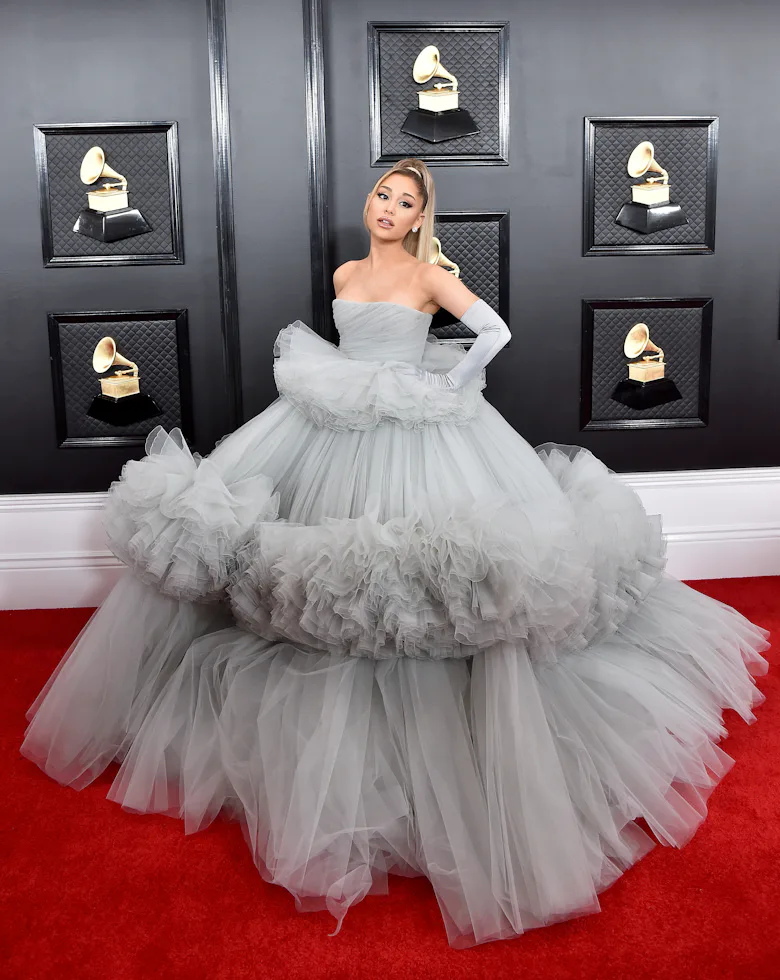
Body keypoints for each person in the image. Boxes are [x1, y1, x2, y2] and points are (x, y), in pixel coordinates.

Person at [20, 157, 770, 950]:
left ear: (420, 216)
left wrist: (453, 384)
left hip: (416, 426)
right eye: (383, 194)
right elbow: (350, 340)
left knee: (421, 569)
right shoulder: (347, 269)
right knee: (306, 556)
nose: (388, 207)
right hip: (332, 420)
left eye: (404, 201)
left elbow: (495, 331)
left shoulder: (427, 275)